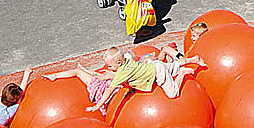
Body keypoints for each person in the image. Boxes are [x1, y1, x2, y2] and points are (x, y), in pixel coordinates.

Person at [50, 44, 202, 114]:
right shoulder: (127, 62)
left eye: (110, 66)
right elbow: (113, 76)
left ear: (118, 63)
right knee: (172, 66)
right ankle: (194, 59)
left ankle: (183, 73)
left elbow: (109, 90)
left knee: (173, 93)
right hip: (155, 67)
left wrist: (97, 106)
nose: (109, 68)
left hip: (157, 72)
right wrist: (102, 75)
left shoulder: (121, 72)